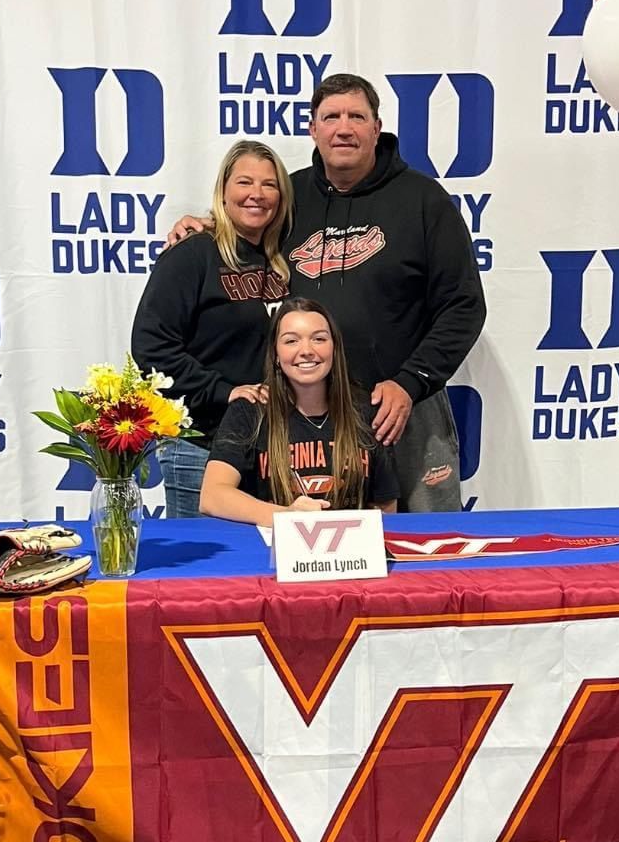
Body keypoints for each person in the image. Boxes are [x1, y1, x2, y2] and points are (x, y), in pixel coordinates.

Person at [169, 73, 486, 513]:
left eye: (356, 116)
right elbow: (246, 220)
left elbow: (464, 305)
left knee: (426, 542)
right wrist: (206, 226)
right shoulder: (291, 196)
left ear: (377, 127)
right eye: (331, 116)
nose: (343, 127)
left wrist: (411, 382)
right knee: (314, 549)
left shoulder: (424, 200)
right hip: (309, 416)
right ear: (312, 129)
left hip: (402, 408)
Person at [131, 140, 291, 517]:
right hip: (201, 446)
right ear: (223, 190)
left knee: (268, 568)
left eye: (269, 185)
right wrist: (224, 391)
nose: (256, 194)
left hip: (273, 447)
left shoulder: (283, 258)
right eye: (244, 182)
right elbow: (151, 349)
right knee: (203, 571)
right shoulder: (192, 255)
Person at [200, 296, 399, 525]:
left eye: (319, 339)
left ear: (334, 348)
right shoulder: (249, 410)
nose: (306, 350)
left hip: (349, 556)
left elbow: (385, 508)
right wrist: (287, 518)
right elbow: (212, 496)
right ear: (275, 354)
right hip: (273, 552)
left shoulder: (367, 411)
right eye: (291, 341)